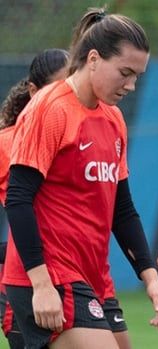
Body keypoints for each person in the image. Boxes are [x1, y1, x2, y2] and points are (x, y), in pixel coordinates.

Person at [2, 8, 158, 349]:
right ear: (93, 58)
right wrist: (41, 284)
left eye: (137, 75)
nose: (131, 85)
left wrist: (151, 278)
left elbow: (122, 210)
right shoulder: (51, 108)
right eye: (124, 73)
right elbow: (19, 198)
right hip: (51, 276)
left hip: (91, 276)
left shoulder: (113, 119)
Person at [0, 48, 69, 349]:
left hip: (75, 276)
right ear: (33, 91)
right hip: (26, 283)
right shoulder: (9, 141)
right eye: (60, 88)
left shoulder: (84, 133)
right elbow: (20, 205)